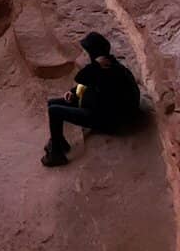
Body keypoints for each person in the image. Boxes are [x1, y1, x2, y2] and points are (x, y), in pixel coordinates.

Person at [42, 31, 141, 167]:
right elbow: (87, 83)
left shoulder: (107, 70)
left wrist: (95, 65)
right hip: (97, 105)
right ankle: (59, 141)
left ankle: (57, 154)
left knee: (54, 111)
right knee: (52, 103)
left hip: (104, 119)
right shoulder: (108, 65)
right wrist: (74, 93)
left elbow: (80, 77)